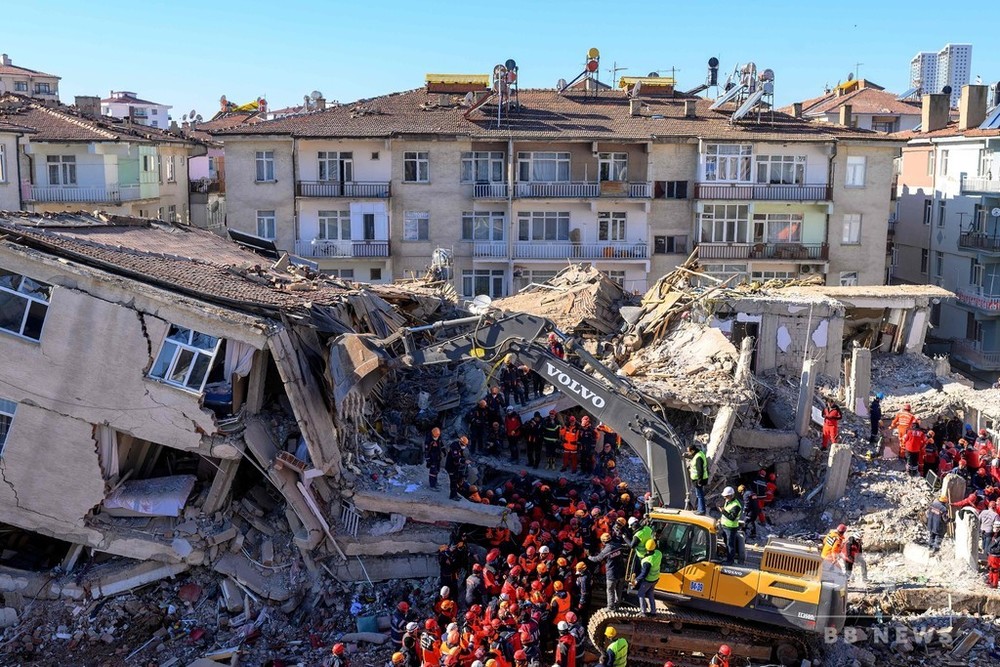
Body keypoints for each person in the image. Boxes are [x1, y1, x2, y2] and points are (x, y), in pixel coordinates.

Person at [588, 532, 626, 610]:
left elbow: (597, 559)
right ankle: (617, 606)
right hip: (621, 572)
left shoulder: (607, 550)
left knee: (610, 590)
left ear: (603, 541)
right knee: (619, 590)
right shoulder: (618, 545)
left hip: (612, 574)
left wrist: (589, 557)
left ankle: (610, 607)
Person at [636, 538, 662, 617]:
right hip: (656, 578)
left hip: (649, 580)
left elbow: (644, 573)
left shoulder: (646, 561)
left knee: (641, 594)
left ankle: (643, 612)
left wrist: (636, 580)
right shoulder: (658, 553)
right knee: (650, 593)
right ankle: (653, 612)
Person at [718, 486, 742, 565]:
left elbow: (732, 517)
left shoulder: (736, 506)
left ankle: (730, 560)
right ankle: (728, 556)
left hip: (731, 528)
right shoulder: (728, 501)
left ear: (732, 495)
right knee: (726, 542)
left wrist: (723, 511)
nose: (725, 498)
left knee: (730, 544)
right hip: (725, 526)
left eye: (726, 496)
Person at [687, 444, 709, 515]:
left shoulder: (698, 458)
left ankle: (701, 510)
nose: (689, 453)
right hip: (700, 479)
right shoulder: (699, 453)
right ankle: (700, 509)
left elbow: (700, 470)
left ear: (693, 451)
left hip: (699, 480)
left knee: (699, 495)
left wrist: (699, 481)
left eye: (689, 452)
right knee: (699, 494)